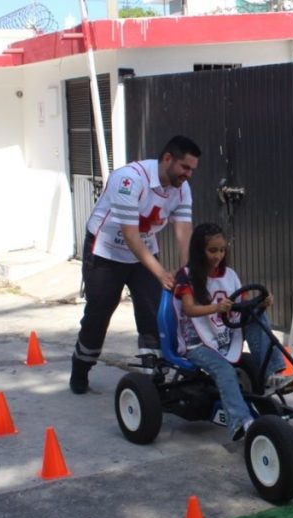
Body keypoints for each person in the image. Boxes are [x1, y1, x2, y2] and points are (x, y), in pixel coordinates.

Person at [70, 135, 199, 394]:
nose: (189, 175)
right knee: (100, 312)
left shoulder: (181, 188)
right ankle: (81, 367)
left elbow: (184, 230)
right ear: (167, 159)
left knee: (154, 311)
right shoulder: (129, 179)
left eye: (192, 170)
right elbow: (130, 235)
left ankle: (153, 374)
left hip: (144, 251)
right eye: (185, 167)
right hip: (106, 252)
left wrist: (186, 270)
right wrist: (162, 273)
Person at [172, 223, 293, 441]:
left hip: (223, 335)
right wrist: (215, 308)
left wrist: (263, 303)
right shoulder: (187, 276)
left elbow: (242, 306)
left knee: (256, 317)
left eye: (221, 250)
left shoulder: (229, 275)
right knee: (225, 371)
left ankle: (273, 373)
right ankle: (241, 421)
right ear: (199, 250)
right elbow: (190, 309)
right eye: (212, 250)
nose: (218, 256)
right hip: (197, 344)